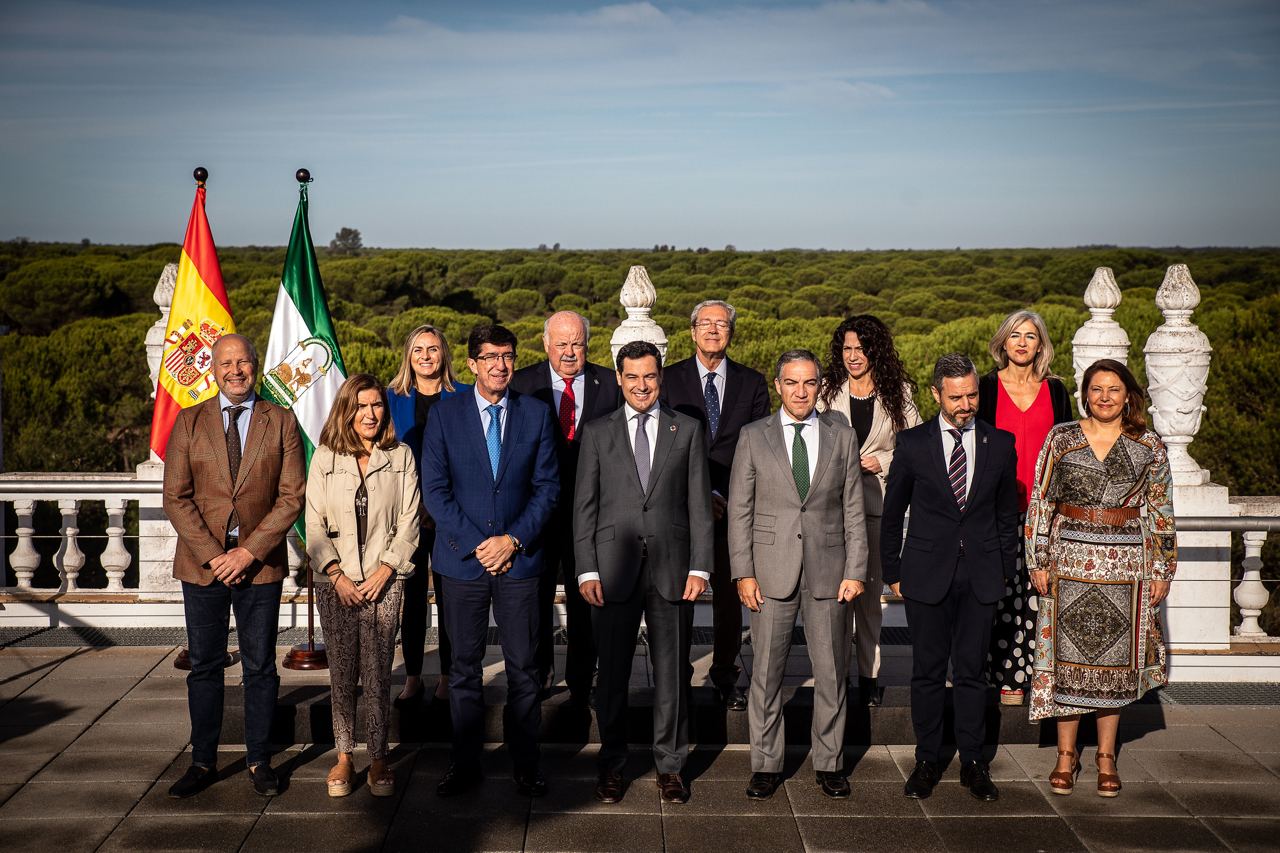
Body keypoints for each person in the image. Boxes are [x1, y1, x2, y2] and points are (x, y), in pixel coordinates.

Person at [162, 333, 305, 799]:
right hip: (203, 566)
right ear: (214, 369)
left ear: (255, 366)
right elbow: (176, 497)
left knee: (260, 667)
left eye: (244, 362)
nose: (236, 370)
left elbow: (291, 498)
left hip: (258, 566)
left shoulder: (280, 421)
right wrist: (214, 554)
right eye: (226, 363)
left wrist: (248, 552)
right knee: (204, 665)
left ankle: (260, 760)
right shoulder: (188, 421)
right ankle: (202, 761)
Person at [420, 324, 560, 798]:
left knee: (524, 667)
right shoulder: (445, 415)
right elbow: (435, 492)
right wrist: (483, 543)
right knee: (463, 669)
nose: (501, 365)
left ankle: (526, 763)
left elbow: (548, 488)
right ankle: (465, 763)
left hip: (521, 563)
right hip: (462, 562)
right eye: (491, 357)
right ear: (473, 364)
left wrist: (513, 540)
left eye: (507, 355)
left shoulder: (536, 415)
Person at [1027, 358, 1176, 797]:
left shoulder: (1148, 444)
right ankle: (1065, 755)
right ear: (1085, 394)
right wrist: (1037, 559)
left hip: (1125, 563)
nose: (1105, 396)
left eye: (1114, 388)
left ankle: (1106, 756)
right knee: (1067, 663)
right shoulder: (1062, 438)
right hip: (1069, 557)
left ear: (1128, 394)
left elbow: (1161, 510)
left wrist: (1162, 567)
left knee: (1114, 665)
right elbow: (1040, 500)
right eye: (1096, 389)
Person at [575, 340, 714, 805]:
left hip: (674, 570)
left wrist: (700, 567)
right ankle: (612, 765)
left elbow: (699, 503)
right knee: (611, 675)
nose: (641, 385)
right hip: (611, 572)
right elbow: (585, 509)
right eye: (632, 376)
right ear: (619, 378)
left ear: (660, 378)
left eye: (649, 376)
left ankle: (670, 767)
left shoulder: (688, 429)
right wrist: (586, 570)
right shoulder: (596, 432)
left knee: (672, 674)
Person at [728, 349, 868, 801]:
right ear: (778, 385)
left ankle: (829, 763)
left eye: (809, 383)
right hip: (770, 573)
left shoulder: (842, 435)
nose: (801, 391)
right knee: (767, 673)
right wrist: (742, 573)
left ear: (819, 385)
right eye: (792, 382)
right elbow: (740, 512)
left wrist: (857, 570)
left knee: (831, 674)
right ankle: (766, 764)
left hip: (831, 572)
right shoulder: (753, 436)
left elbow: (853, 509)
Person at [881, 353, 1019, 803]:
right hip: (925, 574)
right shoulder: (913, 443)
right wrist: (893, 572)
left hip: (981, 576)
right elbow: (892, 512)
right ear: (936, 394)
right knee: (926, 671)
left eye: (972, 394)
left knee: (973, 673)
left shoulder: (1001, 443)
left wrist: (1002, 571)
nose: (966, 404)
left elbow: (1004, 517)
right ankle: (927, 760)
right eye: (956, 396)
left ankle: (974, 763)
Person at [306, 374, 420, 798]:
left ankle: (378, 756)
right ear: (346, 410)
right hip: (334, 582)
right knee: (342, 671)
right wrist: (335, 574)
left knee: (377, 671)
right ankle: (343, 756)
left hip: (383, 581)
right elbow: (312, 522)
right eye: (361, 406)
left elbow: (410, 520)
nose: (370, 414)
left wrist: (385, 571)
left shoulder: (401, 455)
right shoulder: (324, 457)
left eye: (376, 406)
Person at [661, 300, 770, 711]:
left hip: (733, 507)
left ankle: (725, 672)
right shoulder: (668, 380)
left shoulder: (752, 383)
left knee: (729, 596)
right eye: (704, 323)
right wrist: (698, 495)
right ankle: (678, 678)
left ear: (731, 333)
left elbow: (756, 446)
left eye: (721, 324)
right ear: (691, 332)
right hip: (678, 506)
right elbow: (663, 447)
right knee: (679, 595)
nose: (712, 330)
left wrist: (723, 496)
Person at [511, 310, 622, 704]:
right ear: (546, 344)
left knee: (586, 599)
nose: (570, 352)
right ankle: (538, 676)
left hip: (592, 515)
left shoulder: (609, 383)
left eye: (577, 343)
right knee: (535, 598)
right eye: (562, 344)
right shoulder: (522, 384)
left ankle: (581, 681)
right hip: (536, 514)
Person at [817, 314, 922, 707]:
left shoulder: (900, 393)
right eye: (846, 348)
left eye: (860, 348)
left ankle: (868, 678)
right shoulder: (827, 391)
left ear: (875, 350)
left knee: (870, 600)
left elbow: (917, 447)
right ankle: (835, 679)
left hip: (877, 508)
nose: (853, 356)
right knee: (833, 599)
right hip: (831, 509)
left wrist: (885, 459)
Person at [977, 310, 1075, 707]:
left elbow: (1069, 453)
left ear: (1041, 344)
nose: (1021, 342)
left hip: (1045, 512)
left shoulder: (1055, 391)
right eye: (1014, 335)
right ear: (1002, 342)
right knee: (996, 594)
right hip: (994, 509)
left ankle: (1034, 677)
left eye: (1030, 336)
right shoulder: (984, 387)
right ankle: (999, 675)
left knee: (1039, 597)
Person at [386, 324, 469, 707]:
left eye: (432, 349)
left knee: (452, 595)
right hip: (408, 515)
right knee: (412, 597)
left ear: (444, 354)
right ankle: (415, 675)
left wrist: (443, 507)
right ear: (409, 355)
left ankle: (450, 674)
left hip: (453, 513)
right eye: (418, 349)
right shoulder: (391, 399)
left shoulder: (465, 396)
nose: (425, 356)